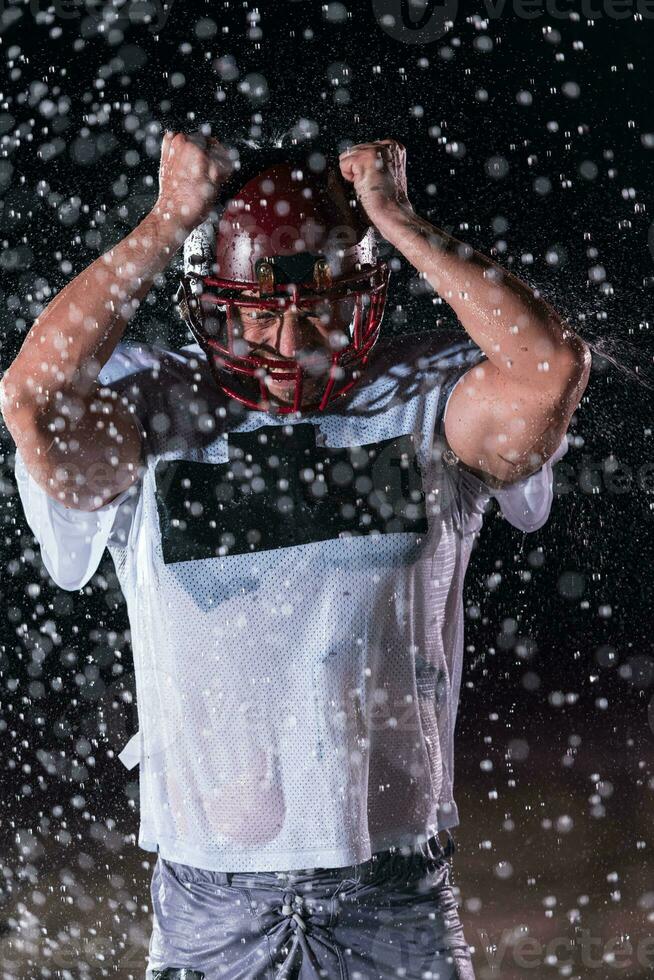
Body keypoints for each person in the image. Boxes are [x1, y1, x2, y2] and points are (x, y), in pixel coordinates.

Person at [0, 129, 590, 980]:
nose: (288, 340)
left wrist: (399, 221)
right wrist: (166, 221)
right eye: (258, 309)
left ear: (366, 298)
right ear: (211, 303)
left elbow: (549, 364)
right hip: (213, 895)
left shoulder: (424, 404)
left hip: (394, 890)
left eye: (319, 305)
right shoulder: (154, 410)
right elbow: (31, 393)